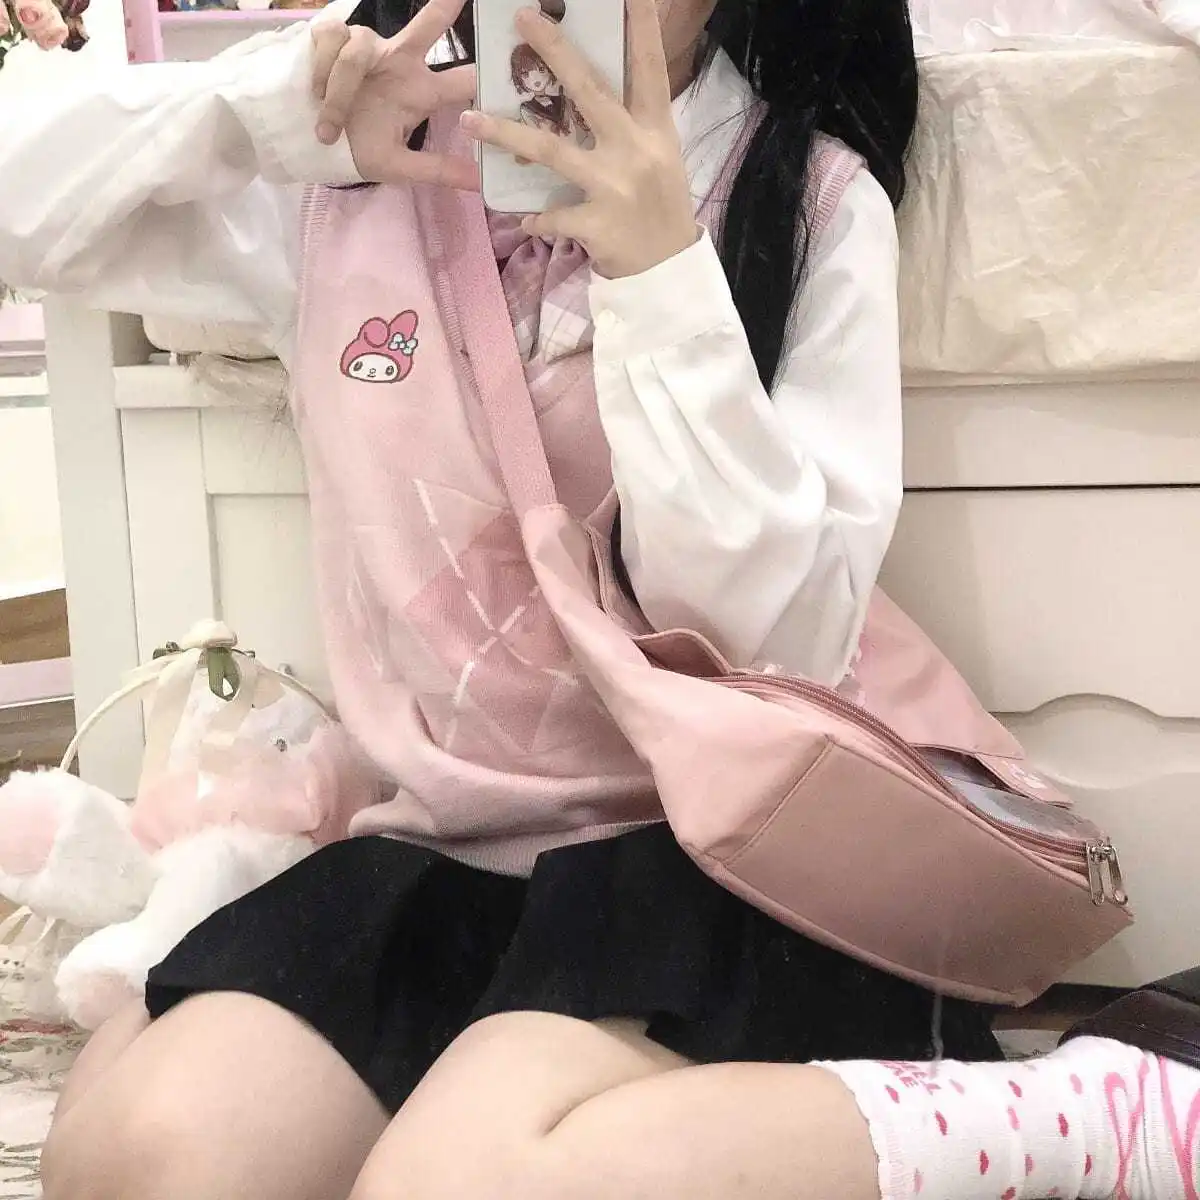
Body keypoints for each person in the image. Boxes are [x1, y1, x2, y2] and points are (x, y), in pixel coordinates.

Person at [0, 1, 1197, 1197]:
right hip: (445, 854)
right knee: (134, 1163)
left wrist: (661, 278)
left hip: (721, 860)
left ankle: (1085, 1114)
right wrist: (267, 110)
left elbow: (767, 640)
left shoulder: (806, 195)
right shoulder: (350, 180)